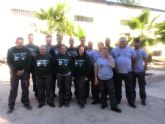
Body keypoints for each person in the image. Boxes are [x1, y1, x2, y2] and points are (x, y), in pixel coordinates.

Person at [7, 37, 32, 114]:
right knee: (13, 89)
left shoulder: (27, 50)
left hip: (25, 72)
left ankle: (26, 103)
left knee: (25, 88)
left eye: (21, 42)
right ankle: (11, 106)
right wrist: (16, 70)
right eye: (19, 42)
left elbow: (29, 61)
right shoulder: (10, 50)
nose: (20, 43)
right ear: (16, 42)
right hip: (14, 73)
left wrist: (23, 70)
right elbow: (9, 62)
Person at [112, 37, 136, 108]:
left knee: (129, 88)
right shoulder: (114, 50)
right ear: (118, 42)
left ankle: (131, 101)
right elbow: (112, 59)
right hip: (117, 72)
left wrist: (129, 65)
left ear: (126, 42)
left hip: (128, 72)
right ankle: (118, 99)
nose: (122, 42)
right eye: (121, 41)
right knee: (117, 87)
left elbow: (134, 59)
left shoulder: (131, 49)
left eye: (124, 41)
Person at [95, 47, 121, 113]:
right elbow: (96, 68)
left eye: (106, 51)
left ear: (108, 52)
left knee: (111, 92)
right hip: (101, 78)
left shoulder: (111, 58)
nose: (104, 53)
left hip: (109, 78)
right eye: (103, 51)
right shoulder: (98, 59)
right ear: (101, 52)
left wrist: (109, 58)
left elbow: (113, 66)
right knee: (102, 91)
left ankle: (114, 107)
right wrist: (95, 78)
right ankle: (104, 104)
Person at [132, 38, 147, 105]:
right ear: (133, 43)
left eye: (138, 43)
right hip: (133, 72)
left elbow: (145, 62)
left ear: (140, 43)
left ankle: (143, 99)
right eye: (135, 42)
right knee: (132, 86)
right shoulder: (131, 51)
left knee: (142, 86)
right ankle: (132, 99)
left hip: (141, 71)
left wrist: (144, 70)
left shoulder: (143, 51)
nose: (136, 44)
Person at [26, 33, 39, 97]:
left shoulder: (36, 47)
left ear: (33, 39)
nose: (31, 39)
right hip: (27, 66)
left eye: (32, 38)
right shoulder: (25, 47)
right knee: (26, 81)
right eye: (29, 38)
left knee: (35, 80)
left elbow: (39, 56)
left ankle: (36, 93)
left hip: (34, 66)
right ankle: (26, 94)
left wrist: (35, 55)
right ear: (28, 38)